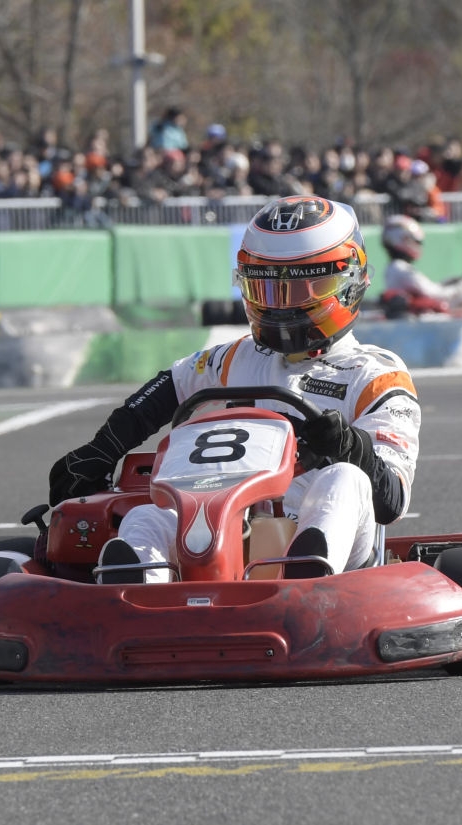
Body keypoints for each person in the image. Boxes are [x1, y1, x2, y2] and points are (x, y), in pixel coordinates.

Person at [48, 196, 421, 584]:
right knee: (148, 515)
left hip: (335, 552)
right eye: (268, 290)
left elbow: (391, 499)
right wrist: (102, 449)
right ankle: (137, 593)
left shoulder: (375, 374)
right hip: (227, 525)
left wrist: (351, 447)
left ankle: (306, 576)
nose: (281, 308)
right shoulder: (236, 358)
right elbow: (165, 388)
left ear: (347, 282)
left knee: (345, 479)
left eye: (301, 290)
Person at [380, 214, 462, 317]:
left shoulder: (394, 268)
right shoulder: (401, 269)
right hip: (423, 320)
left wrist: (448, 283)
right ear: (404, 239)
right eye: (417, 242)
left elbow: (428, 290)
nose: (419, 246)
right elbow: (435, 294)